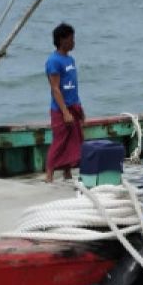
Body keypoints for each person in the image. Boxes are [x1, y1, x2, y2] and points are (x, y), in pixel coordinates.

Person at [44, 22, 83, 182]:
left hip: (74, 105)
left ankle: (67, 173)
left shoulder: (71, 60)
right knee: (60, 142)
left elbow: (73, 86)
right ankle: (49, 175)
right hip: (60, 109)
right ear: (62, 40)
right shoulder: (53, 61)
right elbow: (55, 88)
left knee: (74, 141)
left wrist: (79, 108)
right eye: (71, 39)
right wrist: (65, 111)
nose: (73, 42)